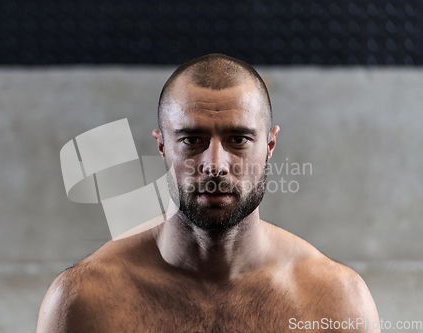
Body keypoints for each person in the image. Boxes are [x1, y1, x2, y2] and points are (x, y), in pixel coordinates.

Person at [36, 54, 380, 332]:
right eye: (191, 140)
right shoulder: (84, 301)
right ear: (162, 146)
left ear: (270, 145)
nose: (215, 164)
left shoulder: (336, 301)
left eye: (238, 139)